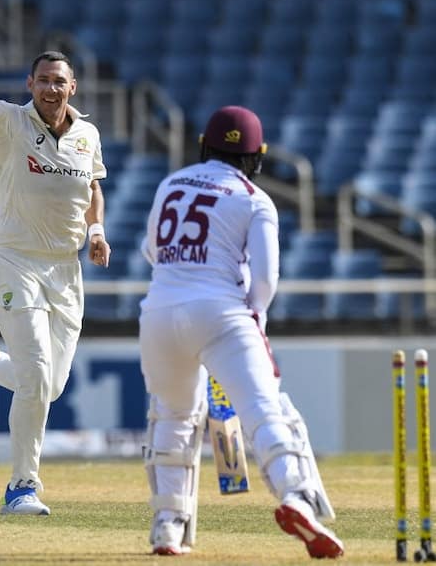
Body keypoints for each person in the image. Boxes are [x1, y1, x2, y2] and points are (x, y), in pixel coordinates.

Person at [0, 0, 111, 516]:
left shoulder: (88, 135)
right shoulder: (10, 123)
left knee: (48, 387)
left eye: (60, 81)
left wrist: (97, 232)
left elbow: (92, 188)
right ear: (30, 84)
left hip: (65, 270)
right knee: (35, 377)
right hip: (14, 260)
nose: (51, 90)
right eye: (43, 81)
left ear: (73, 87)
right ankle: (22, 487)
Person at [138, 106, 344, 558]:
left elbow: (152, 250)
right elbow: (265, 279)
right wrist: (253, 320)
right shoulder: (254, 198)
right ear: (257, 156)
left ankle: (168, 524)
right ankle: (297, 496)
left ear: (203, 146)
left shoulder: (171, 183)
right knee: (264, 411)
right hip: (223, 312)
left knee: (172, 416)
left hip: (158, 313)